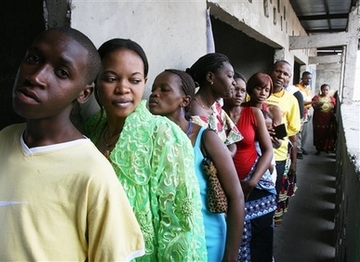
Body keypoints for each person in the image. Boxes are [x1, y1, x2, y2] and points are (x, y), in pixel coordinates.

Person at [0, 27, 145, 261]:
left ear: (83, 93)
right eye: (33, 59)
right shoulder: (3, 141)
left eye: (61, 72)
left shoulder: (93, 172)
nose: (36, 76)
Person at [84, 38, 207, 261]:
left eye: (135, 80)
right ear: (95, 82)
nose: (123, 89)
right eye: (111, 79)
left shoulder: (164, 135)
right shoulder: (92, 128)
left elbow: (181, 225)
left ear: (144, 83)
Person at [148, 69, 245, 262]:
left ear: (184, 101)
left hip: (208, 237)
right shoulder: (152, 137)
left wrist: (231, 256)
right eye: (153, 89)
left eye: (164, 89)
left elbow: (236, 197)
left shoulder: (205, 137)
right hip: (168, 240)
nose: (154, 94)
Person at [223, 72, 277, 262]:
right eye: (234, 89)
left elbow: (268, 150)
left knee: (260, 238)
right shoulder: (216, 115)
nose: (238, 94)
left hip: (255, 186)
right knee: (233, 239)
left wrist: (251, 182)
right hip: (227, 187)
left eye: (242, 90)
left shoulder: (253, 114)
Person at [186, 53, 243, 156]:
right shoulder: (193, 112)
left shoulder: (215, 107)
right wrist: (226, 155)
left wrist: (227, 154)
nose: (234, 82)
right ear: (210, 77)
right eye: (230, 76)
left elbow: (232, 140)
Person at [266, 60, 301, 226]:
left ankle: (269, 224)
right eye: (278, 71)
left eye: (286, 74)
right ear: (271, 71)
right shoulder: (257, 92)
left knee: (273, 191)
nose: (281, 76)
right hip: (254, 152)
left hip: (278, 155)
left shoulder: (291, 100)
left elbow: (293, 134)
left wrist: (294, 162)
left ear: (289, 78)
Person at [312, 84, 337, 155]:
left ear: (329, 90)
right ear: (321, 90)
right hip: (318, 118)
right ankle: (318, 149)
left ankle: (326, 148)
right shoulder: (316, 98)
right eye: (323, 89)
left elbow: (334, 108)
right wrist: (319, 105)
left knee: (328, 132)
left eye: (326, 90)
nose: (325, 91)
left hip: (328, 119)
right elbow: (314, 107)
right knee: (318, 133)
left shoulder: (332, 99)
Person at [295, 71, 313, 157]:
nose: (308, 80)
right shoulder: (297, 88)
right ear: (302, 78)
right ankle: (298, 151)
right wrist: (313, 102)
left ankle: (301, 147)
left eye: (310, 78)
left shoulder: (308, 88)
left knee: (305, 132)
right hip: (301, 111)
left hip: (307, 111)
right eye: (306, 78)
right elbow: (300, 102)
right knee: (299, 131)